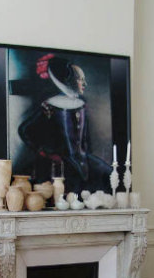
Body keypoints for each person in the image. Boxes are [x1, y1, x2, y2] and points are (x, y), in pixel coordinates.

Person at [16, 54, 112, 193]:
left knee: (110, 176)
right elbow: (24, 130)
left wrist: (85, 154)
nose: (84, 84)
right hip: (62, 163)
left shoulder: (81, 104)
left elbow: (85, 140)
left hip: (83, 160)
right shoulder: (50, 106)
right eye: (80, 80)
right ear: (67, 80)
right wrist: (45, 152)